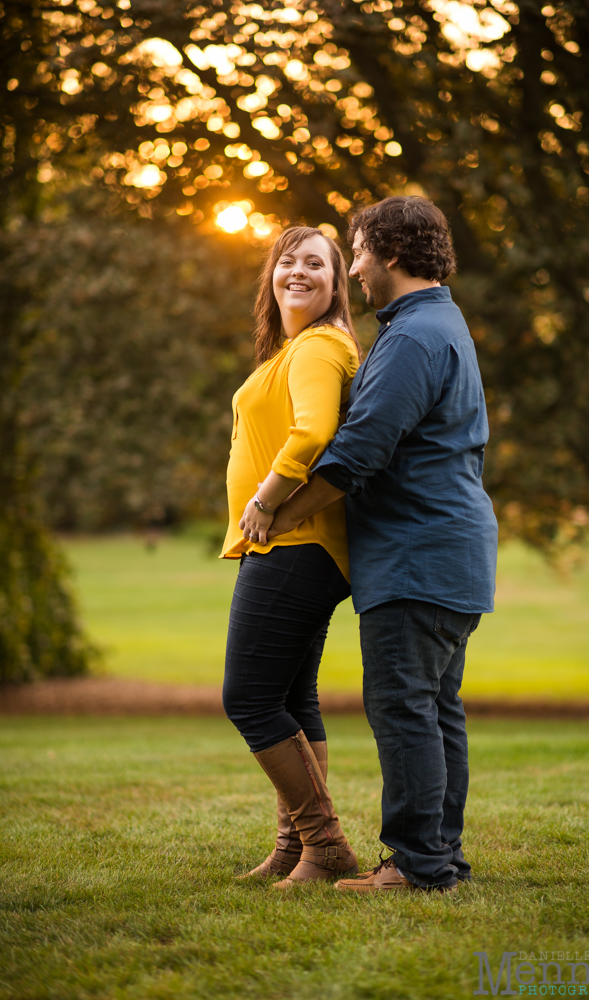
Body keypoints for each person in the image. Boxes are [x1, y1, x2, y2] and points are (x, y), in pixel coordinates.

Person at [266, 196, 498, 894]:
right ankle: (438, 859)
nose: (355, 266)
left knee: (403, 709)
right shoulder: (434, 323)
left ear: (391, 253)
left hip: (416, 554)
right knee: (433, 712)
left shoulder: (413, 337)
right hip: (446, 551)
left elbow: (355, 454)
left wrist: (276, 514)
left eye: (358, 250)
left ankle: (416, 865)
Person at [220, 226, 361, 889]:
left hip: (294, 540)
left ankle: (325, 845)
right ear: (270, 275)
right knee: (290, 696)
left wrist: (264, 500)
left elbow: (313, 431)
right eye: (288, 260)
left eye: (316, 263)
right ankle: (294, 849)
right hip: (301, 546)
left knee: (248, 697)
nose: (297, 271)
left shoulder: (319, 345)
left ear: (337, 285)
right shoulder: (295, 349)